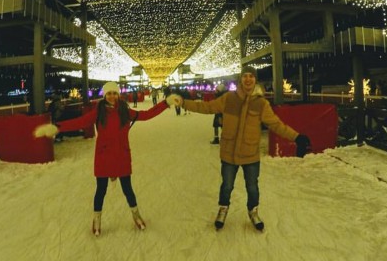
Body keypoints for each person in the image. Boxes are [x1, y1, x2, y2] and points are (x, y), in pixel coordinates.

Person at [171, 66, 310, 232]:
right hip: (229, 153)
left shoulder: (261, 104)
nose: (248, 79)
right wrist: (184, 102)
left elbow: (276, 125)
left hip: (250, 154)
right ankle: (223, 209)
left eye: (251, 76)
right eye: (245, 76)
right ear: (240, 79)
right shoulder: (229, 98)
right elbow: (207, 107)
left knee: (252, 187)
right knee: (227, 185)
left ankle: (253, 211)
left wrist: (296, 137)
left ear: (255, 80)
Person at [35, 81, 177, 236]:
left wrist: (166, 103)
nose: (112, 96)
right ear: (104, 95)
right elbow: (80, 122)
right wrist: (57, 128)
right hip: (104, 156)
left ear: (118, 94)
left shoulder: (125, 111)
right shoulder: (99, 112)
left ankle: (136, 215)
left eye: (114, 93)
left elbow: (146, 114)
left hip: (122, 155)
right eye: (109, 93)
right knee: (101, 190)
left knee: (128, 189)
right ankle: (97, 219)